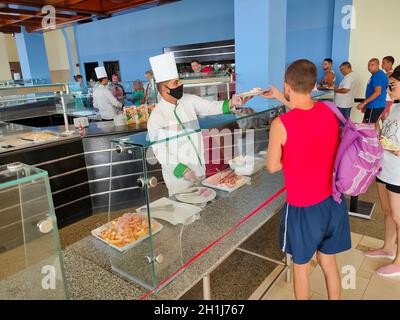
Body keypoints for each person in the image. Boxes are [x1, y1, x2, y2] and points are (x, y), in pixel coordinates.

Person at [261, 59, 351, 300]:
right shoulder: (329, 111)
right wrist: (281, 97)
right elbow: (305, 114)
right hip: (333, 202)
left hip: (303, 207)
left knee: (301, 268)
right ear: (313, 86)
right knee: (329, 263)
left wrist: (290, 159)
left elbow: (272, 166)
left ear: (287, 85)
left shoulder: (280, 124)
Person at [147, 52, 249, 196]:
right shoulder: (157, 117)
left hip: (200, 168)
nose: (180, 84)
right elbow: (160, 152)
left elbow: (209, 107)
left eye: (179, 80)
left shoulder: (188, 100)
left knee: (203, 208)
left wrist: (232, 102)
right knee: (184, 214)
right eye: (176, 82)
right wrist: (183, 170)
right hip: (179, 178)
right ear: (164, 89)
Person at [364, 66, 400, 277]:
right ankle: (388, 248)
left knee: (398, 216)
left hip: (398, 173)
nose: (388, 89)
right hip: (384, 167)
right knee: (387, 212)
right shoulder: (395, 106)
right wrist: (378, 129)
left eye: (392, 85)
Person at [356, 58, 389, 123]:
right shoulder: (376, 75)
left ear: (378, 65)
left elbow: (377, 92)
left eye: (372, 65)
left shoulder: (377, 75)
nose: (369, 67)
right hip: (374, 105)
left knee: (367, 127)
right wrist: (366, 105)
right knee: (373, 125)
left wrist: (364, 103)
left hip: (375, 105)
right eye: (368, 65)